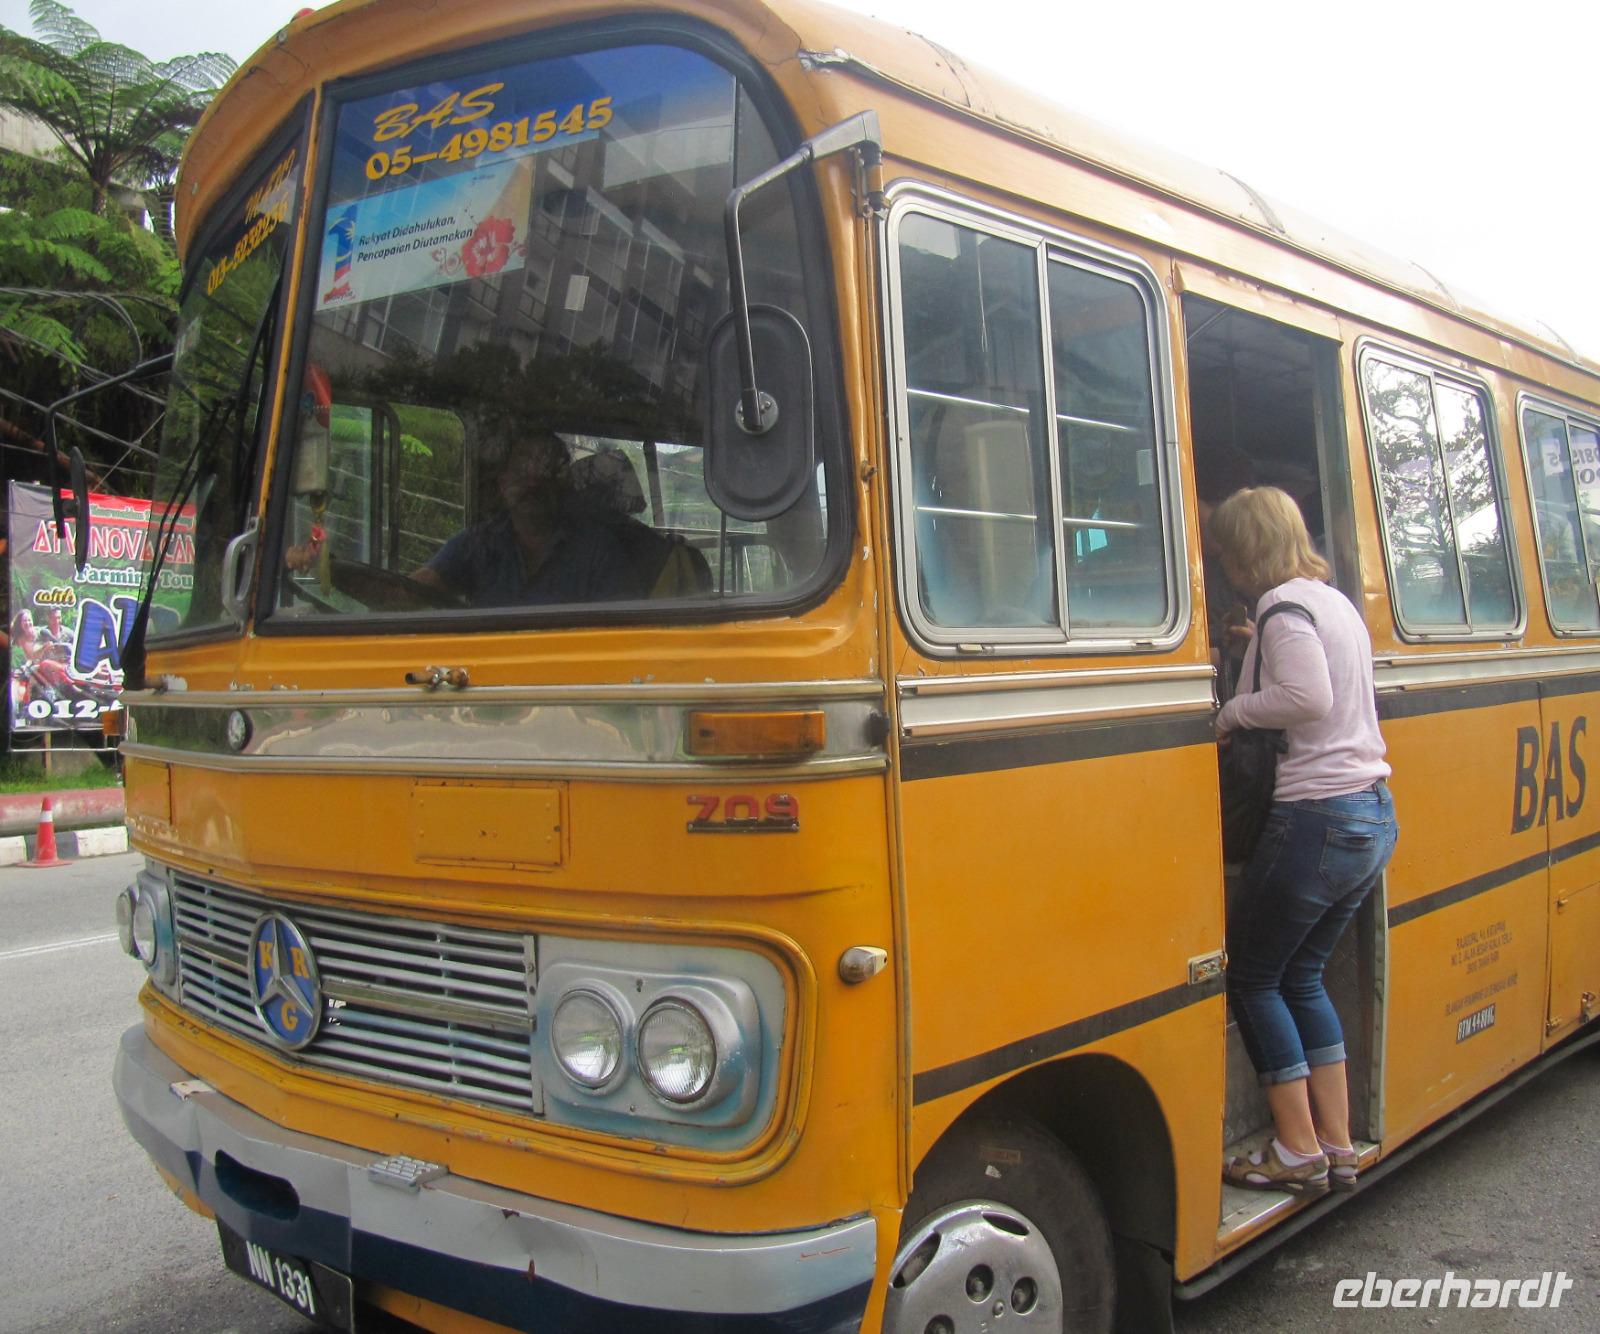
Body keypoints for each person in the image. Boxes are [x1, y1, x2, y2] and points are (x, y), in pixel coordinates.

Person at [1211, 486, 1397, 1197]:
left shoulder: (1282, 607)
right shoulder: (1331, 602)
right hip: (1368, 814)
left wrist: (1233, 711)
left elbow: (1308, 698)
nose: (1224, 564)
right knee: (1303, 976)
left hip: (1316, 820)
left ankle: (1295, 1149)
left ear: (1245, 550)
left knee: (1254, 978)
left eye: (1227, 550)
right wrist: (1255, 652)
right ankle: (1337, 1145)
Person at [411, 432, 645, 607]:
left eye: (546, 473)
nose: (533, 483)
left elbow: (622, 630)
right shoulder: (479, 543)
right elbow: (418, 588)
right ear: (503, 484)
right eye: (522, 472)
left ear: (564, 486)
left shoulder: (598, 549)